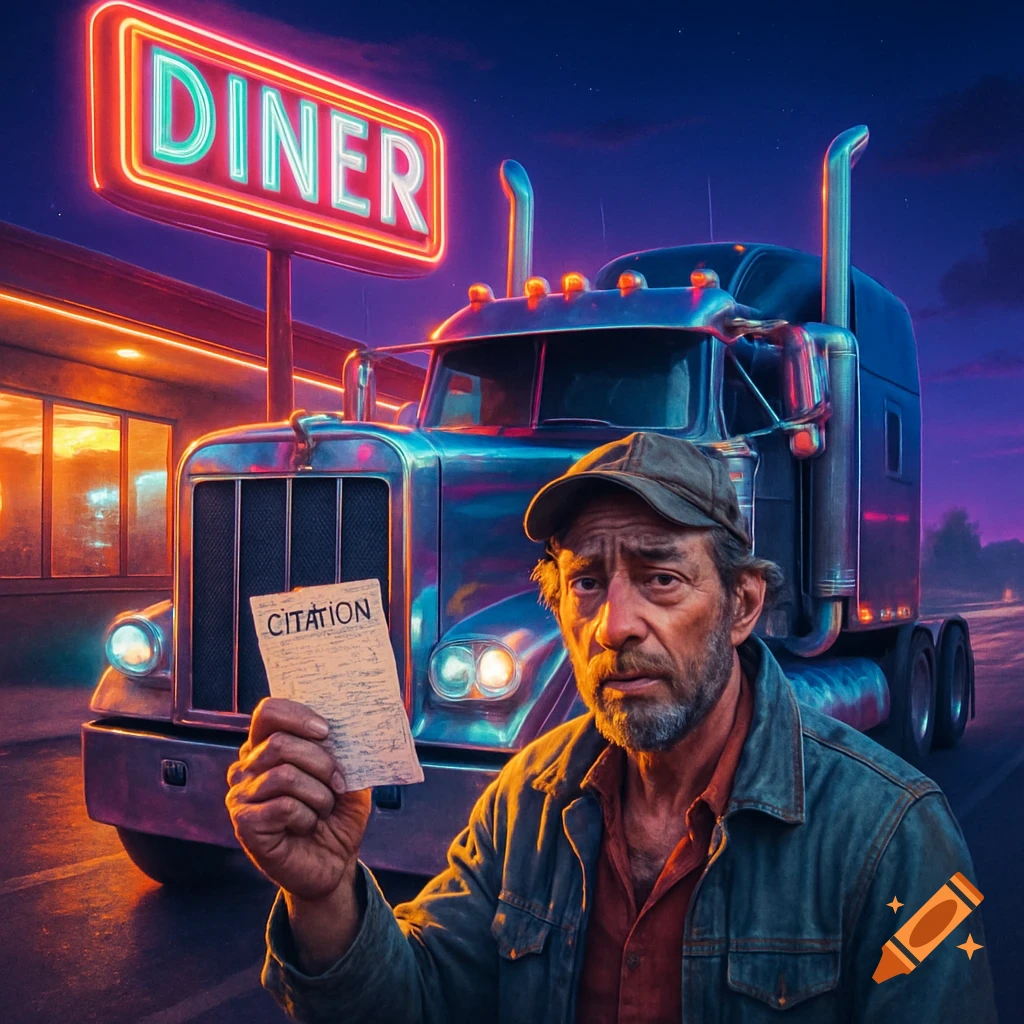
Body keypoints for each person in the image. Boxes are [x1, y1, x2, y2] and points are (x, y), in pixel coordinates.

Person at [226, 432, 997, 1023]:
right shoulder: (524, 797)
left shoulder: (891, 834)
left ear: (742, 606)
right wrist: (325, 895)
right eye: (587, 583)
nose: (614, 626)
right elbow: (419, 1003)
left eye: (661, 578)